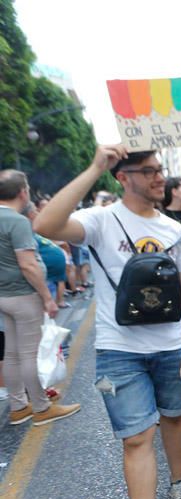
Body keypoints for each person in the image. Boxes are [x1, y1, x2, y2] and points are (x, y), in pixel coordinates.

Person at [34, 147, 181, 499]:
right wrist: (95, 166)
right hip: (118, 349)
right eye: (148, 171)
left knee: (174, 416)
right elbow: (45, 224)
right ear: (122, 177)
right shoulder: (100, 220)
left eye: (160, 169)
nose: (159, 177)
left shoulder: (174, 231)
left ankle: (179, 482)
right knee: (136, 437)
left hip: (172, 342)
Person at [0, 170, 80, 426]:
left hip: (3, 295)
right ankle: (41, 407)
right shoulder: (17, 221)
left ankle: (18, 406)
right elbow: (28, 265)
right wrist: (47, 297)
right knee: (29, 354)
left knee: (11, 354)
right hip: (24, 294)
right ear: (23, 192)